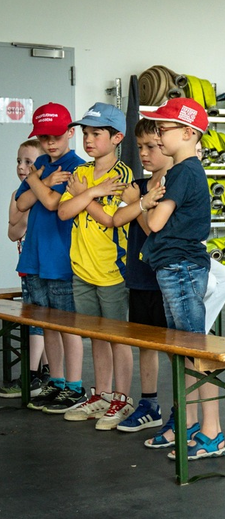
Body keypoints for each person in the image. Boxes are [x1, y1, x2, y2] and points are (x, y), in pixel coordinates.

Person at [138, 97, 223, 461]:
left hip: (181, 268)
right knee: (183, 351)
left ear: (189, 133)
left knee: (195, 352)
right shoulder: (184, 171)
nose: (158, 135)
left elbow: (155, 224)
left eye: (163, 129)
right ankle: (189, 423)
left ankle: (212, 432)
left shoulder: (182, 172)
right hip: (173, 268)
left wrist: (147, 200)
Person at [57, 103, 135, 429]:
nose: (88, 139)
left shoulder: (124, 176)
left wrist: (86, 196)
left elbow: (111, 217)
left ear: (117, 137)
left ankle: (122, 398)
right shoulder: (81, 174)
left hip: (112, 270)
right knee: (95, 336)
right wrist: (93, 191)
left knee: (118, 337)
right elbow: (64, 212)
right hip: (82, 269)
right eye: (85, 133)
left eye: (96, 133)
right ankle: (101, 394)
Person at [17, 103, 87, 414]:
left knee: (67, 325)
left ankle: (74, 386)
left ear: (70, 133)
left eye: (56, 136)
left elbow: (49, 203)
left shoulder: (76, 166)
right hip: (35, 256)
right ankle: (55, 381)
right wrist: (41, 180)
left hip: (61, 258)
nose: (50, 143)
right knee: (46, 325)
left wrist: (35, 180)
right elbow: (20, 204)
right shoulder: (44, 166)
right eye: (44, 137)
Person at [110, 118, 170, 434]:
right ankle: (149, 404)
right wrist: (137, 202)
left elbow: (154, 232)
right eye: (140, 147)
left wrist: (138, 204)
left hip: (165, 279)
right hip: (139, 275)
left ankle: (181, 411)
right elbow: (117, 218)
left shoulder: (170, 186)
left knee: (175, 346)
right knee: (145, 343)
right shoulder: (140, 186)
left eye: (152, 147)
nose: (144, 154)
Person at [0, 139, 49, 398]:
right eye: (19, 161)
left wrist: (24, 213)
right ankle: (41, 372)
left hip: (43, 268)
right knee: (34, 320)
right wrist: (22, 211)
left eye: (28, 161)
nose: (21, 166)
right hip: (26, 269)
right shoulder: (17, 195)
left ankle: (34, 376)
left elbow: (23, 221)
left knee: (40, 322)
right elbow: (13, 231)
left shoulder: (45, 193)